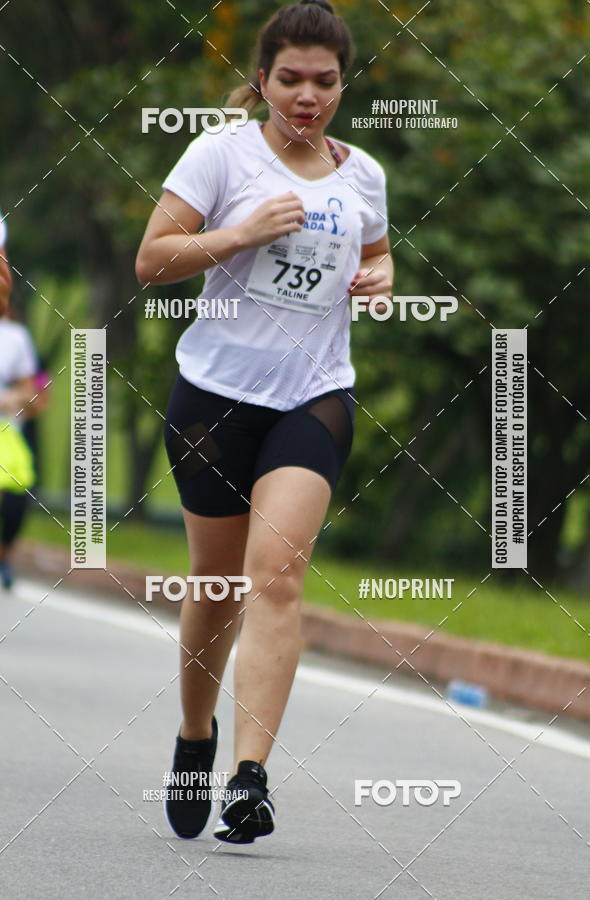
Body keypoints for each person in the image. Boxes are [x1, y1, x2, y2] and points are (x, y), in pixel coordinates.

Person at [136, 0, 392, 844]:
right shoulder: (220, 154)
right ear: (263, 79)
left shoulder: (362, 174)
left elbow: (376, 250)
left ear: (343, 85)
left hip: (314, 397)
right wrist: (240, 233)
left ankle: (251, 778)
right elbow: (151, 261)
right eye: (291, 79)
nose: (308, 96)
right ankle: (196, 737)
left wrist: (380, 277)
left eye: (325, 81)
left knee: (275, 579)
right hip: (214, 398)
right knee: (214, 591)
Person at [0, 215, 49, 589]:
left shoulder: (15, 337)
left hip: (6, 439)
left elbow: (36, 395)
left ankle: (4, 557)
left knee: (13, 505)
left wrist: (13, 398)